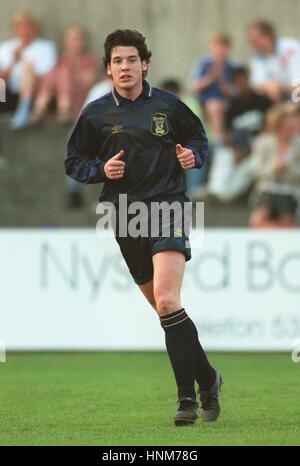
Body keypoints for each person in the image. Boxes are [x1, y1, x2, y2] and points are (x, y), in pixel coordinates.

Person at [65, 29, 223, 426]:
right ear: (108, 68)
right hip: (124, 216)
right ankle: (208, 377)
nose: (125, 66)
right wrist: (100, 169)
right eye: (117, 61)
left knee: (168, 300)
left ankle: (186, 398)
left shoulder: (170, 106)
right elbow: (73, 161)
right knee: (166, 312)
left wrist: (193, 155)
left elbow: (199, 138)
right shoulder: (96, 113)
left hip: (168, 206)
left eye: (131, 59)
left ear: (144, 64)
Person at [0, 11, 57, 128]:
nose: (24, 29)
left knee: (27, 66)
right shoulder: (6, 47)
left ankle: (24, 110)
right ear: (14, 29)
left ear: (34, 28)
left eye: (27, 26)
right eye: (20, 26)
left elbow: (48, 75)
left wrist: (22, 61)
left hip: (35, 94)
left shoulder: (45, 47)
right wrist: (13, 62)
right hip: (9, 93)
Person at [31, 25, 97, 123]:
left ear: (83, 42)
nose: (74, 43)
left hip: (78, 102)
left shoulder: (87, 59)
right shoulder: (61, 60)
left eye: (77, 40)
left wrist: (75, 70)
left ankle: (61, 112)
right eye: (71, 40)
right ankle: (39, 110)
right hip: (57, 100)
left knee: (63, 74)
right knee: (54, 74)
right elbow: (48, 82)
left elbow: (88, 85)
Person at [188, 33, 236, 142]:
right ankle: (218, 140)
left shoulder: (233, 65)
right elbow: (192, 87)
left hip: (228, 102)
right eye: (218, 47)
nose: (221, 51)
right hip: (204, 103)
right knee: (214, 106)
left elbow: (235, 92)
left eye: (224, 47)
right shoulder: (203, 64)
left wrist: (223, 82)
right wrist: (210, 78)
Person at [247, 20, 300, 102]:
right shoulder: (257, 57)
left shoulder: (290, 47)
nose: (252, 45)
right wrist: (269, 86)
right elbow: (256, 83)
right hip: (280, 96)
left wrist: (281, 87)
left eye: (255, 40)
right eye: (251, 42)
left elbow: (297, 81)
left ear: (268, 36)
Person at [225, 66, 272, 139]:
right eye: (238, 80)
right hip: (242, 145)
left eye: (243, 78)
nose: (241, 82)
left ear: (248, 79)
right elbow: (228, 132)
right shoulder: (231, 107)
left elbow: (271, 122)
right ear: (234, 83)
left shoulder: (263, 101)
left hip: (262, 140)